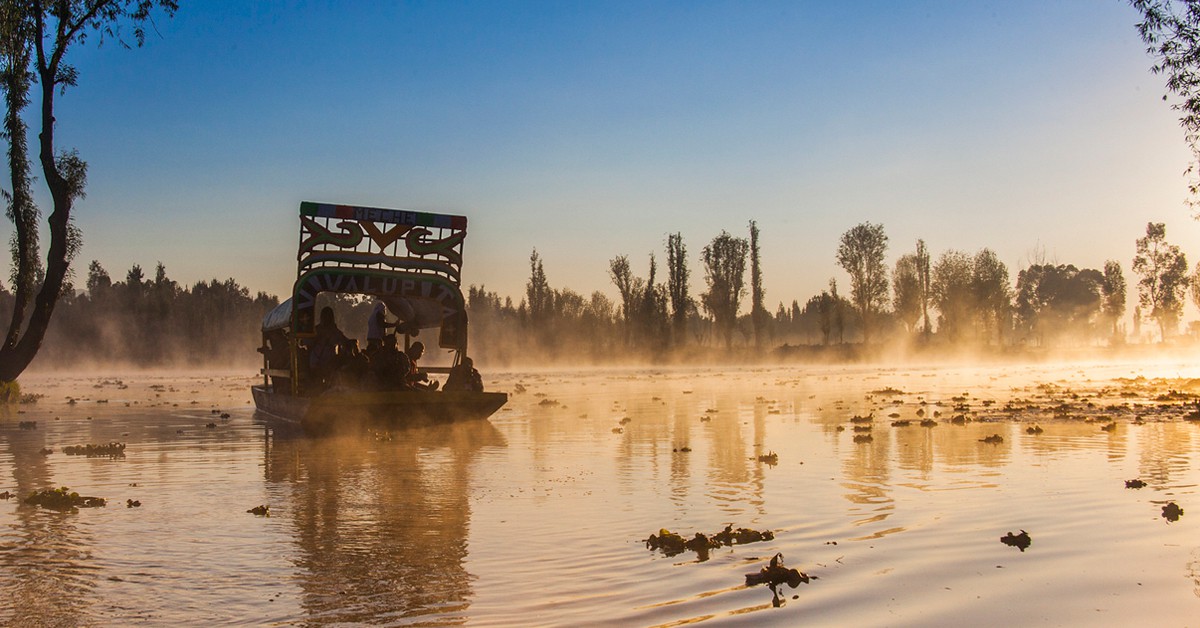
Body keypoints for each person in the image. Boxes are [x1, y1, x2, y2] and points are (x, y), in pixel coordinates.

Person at [308, 306, 348, 387]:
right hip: (319, 362)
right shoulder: (320, 330)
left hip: (323, 361)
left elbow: (344, 341)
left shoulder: (320, 329)